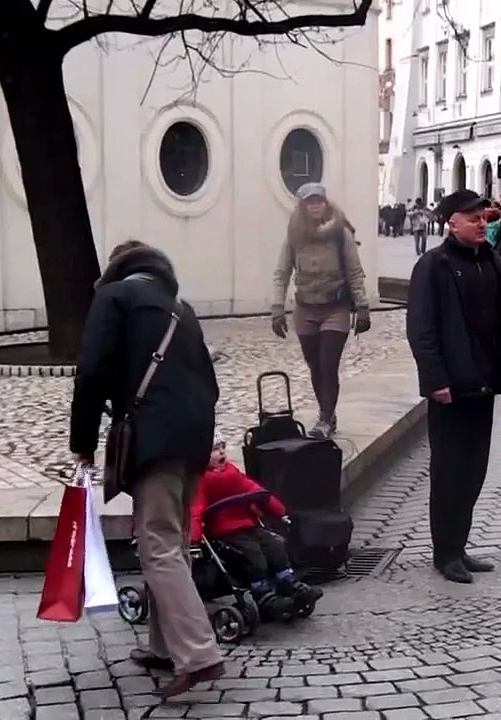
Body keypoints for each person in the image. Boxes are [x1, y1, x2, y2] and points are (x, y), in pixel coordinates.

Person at [70, 240, 225, 697]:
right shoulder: (182, 307)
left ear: (117, 270)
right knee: (170, 542)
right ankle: (163, 646)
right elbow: (209, 382)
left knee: (157, 545)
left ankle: (198, 654)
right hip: (192, 438)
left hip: (153, 438)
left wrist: (83, 443)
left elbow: (92, 370)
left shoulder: (114, 297)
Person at [406, 189, 501, 584]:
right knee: (449, 471)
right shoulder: (434, 265)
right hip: (452, 388)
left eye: (483, 218)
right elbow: (421, 330)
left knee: (475, 468)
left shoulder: (491, 262)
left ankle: (459, 546)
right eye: (472, 218)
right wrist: (435, 379)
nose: (481, 223)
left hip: (484, 382)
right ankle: (445, 553)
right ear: (451, 223)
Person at [271, 182, 371, 438]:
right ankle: (328, 412)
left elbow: (354, 271)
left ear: (325, 203)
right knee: (314, 365)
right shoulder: (294, 235)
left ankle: (325, 419)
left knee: (328, 364)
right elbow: (282, 273)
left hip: (334, 308)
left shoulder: (340, 234)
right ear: (302, 206)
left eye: (319, 200)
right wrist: (277, 308)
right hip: (305, 308)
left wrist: (362, 307)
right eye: (309, 201)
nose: (315, 205)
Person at [191, 435, 324, 620]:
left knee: (275, 544)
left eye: (222, 447)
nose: (221, 452)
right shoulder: (201, 481)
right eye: (215, 449)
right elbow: (195, 510)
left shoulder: (232, 472)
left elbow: (255, 490)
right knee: (253, 554)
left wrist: (279, 510)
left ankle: (288, 582)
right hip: (225, 531)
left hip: (248, 524)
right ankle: (263, 595)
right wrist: (194, 539)